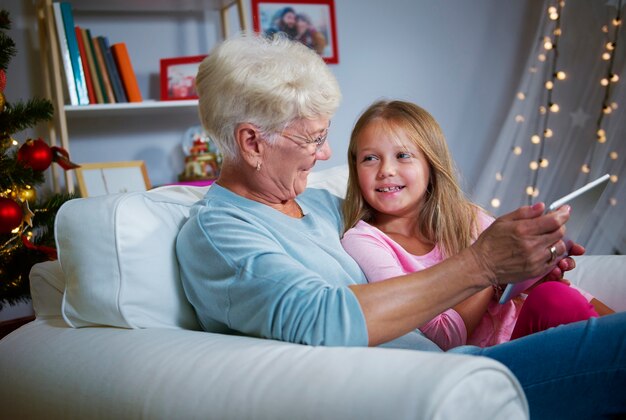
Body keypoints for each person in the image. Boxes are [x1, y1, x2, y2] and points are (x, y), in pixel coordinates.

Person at [175, 34, 626, 419]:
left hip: (464, 367)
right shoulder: (220, 233)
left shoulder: (321, 205)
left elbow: (420, 215)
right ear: (252, 142)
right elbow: (320, 318)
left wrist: (523, 258)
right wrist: (485, 264)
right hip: (427, 391)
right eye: (312, 138)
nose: (327, 153)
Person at [340, 100, 614, 350]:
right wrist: (493, 270)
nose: (386, 169)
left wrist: (527, 276)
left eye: (403, 155)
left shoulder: (466, 217)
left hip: (534, 331)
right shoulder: (365, 241)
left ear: (430, 166)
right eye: (370, 158)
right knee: (553, 299)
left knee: (553, 292)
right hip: (488, 364)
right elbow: (443, 336)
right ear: (356, 169)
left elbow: (512, 285)